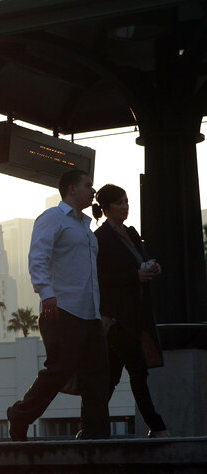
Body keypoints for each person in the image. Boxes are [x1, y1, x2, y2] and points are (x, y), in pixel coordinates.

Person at [7, 170, 110, 441]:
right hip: (62, 308)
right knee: (60, 369)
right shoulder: (52, 218)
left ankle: (94, 433)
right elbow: (38, 256)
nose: (92, 190)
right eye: (88, 185)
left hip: (90, 312)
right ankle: (21, 414)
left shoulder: (85, 227)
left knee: (98, 374)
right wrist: (46, 293)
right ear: (72, 189)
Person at [92, 184, 169, 437]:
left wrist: (152, 267)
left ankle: (90, 425)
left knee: (112, 376)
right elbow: (100, 277)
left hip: (136, 314)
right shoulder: (101, 238)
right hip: (117, 316)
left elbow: (143, 258)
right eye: (119, 203)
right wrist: (134, 275)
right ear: (106, 208)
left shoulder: (132, 233)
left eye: (126, 201)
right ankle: (156, 426)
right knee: (137, 368)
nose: (125, 207)